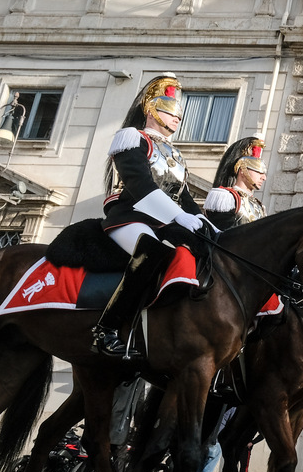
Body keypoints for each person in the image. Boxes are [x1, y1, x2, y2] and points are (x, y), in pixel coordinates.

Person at [90, 74, 212, 358]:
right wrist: (178, 217)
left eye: (179, 114)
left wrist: (208, 227)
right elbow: (140, 186)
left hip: (163, 219)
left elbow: (183, 197)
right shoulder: (132, 138)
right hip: (129, 215)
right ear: (152, 109)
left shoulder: (175, 154)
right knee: (151, 252)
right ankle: (105, 329)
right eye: (170, 112)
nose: (177, 118)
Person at [203, 137, 268, 230]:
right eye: (259, 172)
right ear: (242, 170)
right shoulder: (227, 198)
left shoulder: (259, 206)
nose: (264, 177)